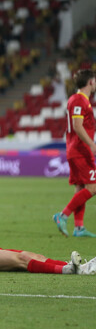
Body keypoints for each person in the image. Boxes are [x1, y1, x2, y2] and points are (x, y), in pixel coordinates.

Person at [53, 69, 96, 237]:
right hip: (80, 150)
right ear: (90, 82)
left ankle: (79, 228)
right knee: (93, 187)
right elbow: (78, 126)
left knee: (81, 188)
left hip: (75, 149)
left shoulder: (77, 99)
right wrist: (92, 144)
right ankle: (62, 215)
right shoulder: (79, 100)